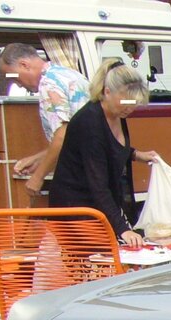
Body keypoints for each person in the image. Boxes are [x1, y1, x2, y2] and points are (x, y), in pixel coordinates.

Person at [49, 60, 159, 249]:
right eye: (126, 101)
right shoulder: (90, 122)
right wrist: (122, 229)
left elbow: (109, 147)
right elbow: (98, 184)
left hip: (98, 202)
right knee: (96, 260)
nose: (130, 108)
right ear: (107, 92)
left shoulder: (118, 114)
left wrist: (135, 154)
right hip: (76, 205)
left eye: (134, 103)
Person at [0, 43, 89, 198]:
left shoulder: (48, 85)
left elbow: (62, 136)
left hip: (79, 174)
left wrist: (37, 177)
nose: (18, 84)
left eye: (15, 78)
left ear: (24, 65)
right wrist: (38, 159)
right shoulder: (69, 74)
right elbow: (74, 138)